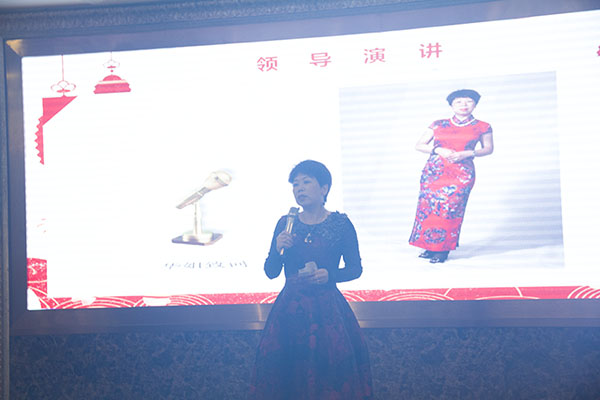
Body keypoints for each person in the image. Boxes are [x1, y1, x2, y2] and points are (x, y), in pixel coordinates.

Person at [249, 160, 372, 400]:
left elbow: (355, 269)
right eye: (295, 184)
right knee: (288, 375)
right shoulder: (286, 223)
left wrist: (330, 275)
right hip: (290, 311)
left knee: (330, 374)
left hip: (328, 312)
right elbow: (271, 271)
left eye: (306, 182)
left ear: (324, 188)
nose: (300, 189)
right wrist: (277, 249)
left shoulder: (340, 224)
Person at [409, 89, 494, 263]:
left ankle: (443, 249)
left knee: (450, 210)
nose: (464, 105)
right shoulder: (438, 124)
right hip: (434, 173)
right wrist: (438, 149)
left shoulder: (483, 126)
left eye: (468, 101)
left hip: (461, 174)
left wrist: (468, 153)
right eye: (458, 102)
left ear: (475, 104)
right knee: (429, 208)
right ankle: (429, 246)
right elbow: (419, 145)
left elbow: (488, 149)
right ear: (451, 105)